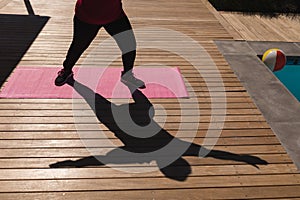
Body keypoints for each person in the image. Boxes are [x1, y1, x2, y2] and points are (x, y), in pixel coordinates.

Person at [55, 0, 145, 89]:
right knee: (78, 46)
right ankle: (66, 71)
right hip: (87, 17)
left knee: (129, 46)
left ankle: (127, 76)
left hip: (114, 16)